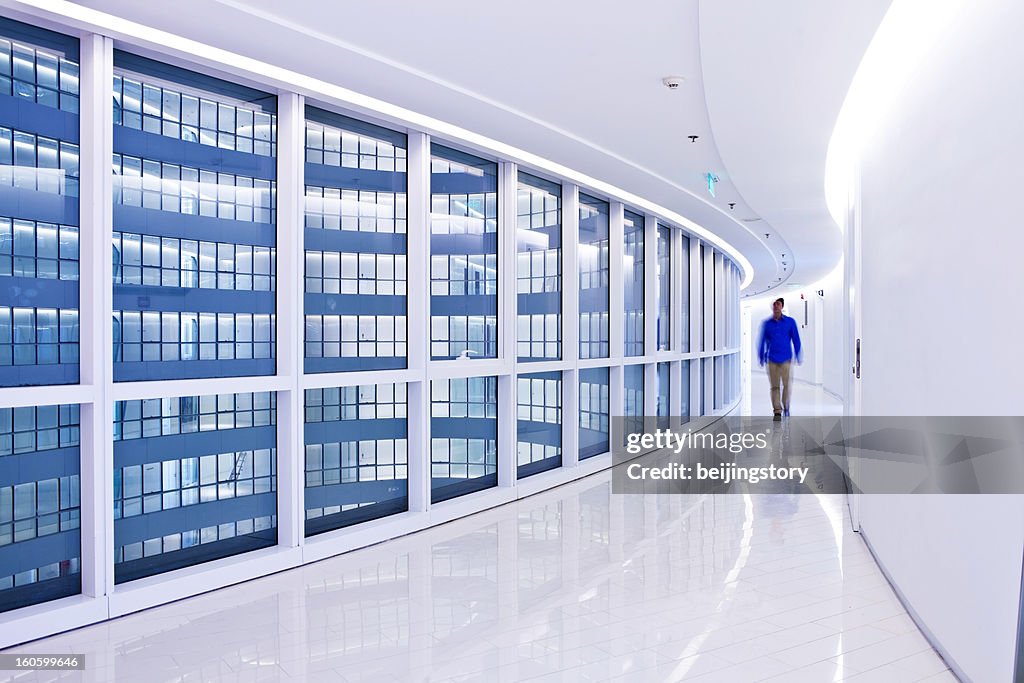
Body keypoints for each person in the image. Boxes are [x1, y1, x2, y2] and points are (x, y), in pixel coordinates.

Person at [758, 297, 802, 420]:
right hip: (772, 359)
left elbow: (796, 339)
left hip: (786, 359)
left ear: (782, 306)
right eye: (774, 304)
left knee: (787, 385)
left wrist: (798, 354)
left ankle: (786, 406)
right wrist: (761, 356)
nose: (776, 306)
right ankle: (777, 410)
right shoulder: (767, 324)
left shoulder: (790, 322)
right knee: (775, 386)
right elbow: (762, 341)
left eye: (778, 304)